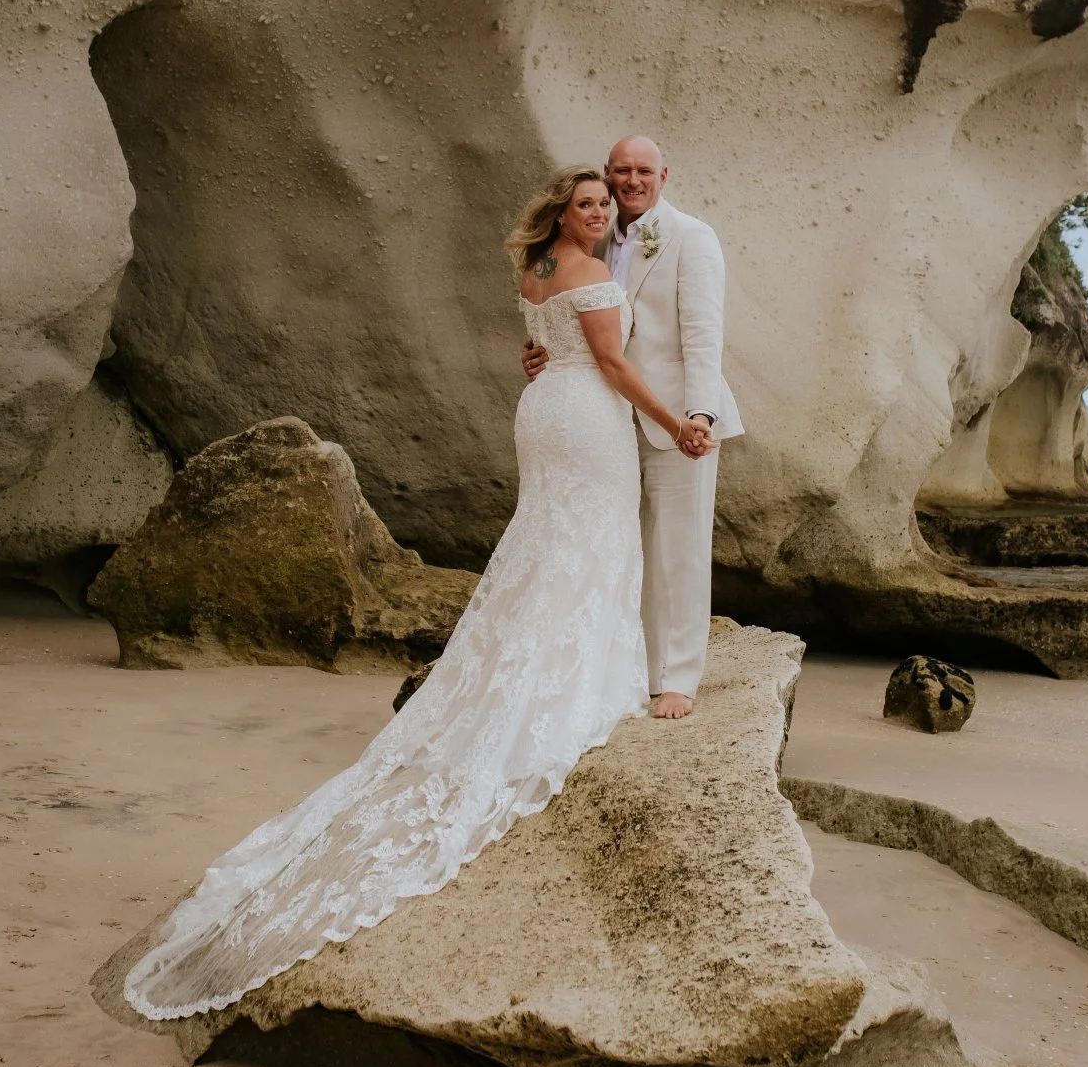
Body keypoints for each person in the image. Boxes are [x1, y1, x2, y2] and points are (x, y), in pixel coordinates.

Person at [120, 164, 700, 1023]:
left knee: (548, 540)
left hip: (542, 410)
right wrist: (674, 420)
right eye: (588, 203)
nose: (600, 211)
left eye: (606, 203)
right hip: (584, 416)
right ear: (565, 211)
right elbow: (612, 365)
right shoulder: (591, 272)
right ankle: (574, 676)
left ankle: (529, 658)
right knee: (591, 537)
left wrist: (547, 358)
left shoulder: (534, 269)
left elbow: (543, 347)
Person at [523, 136, 742, 719]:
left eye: (643, 170)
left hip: (674, 416)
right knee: (626, 547)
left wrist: (697, 416)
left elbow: (703, 336)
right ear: (606, 177)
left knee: (681, 546)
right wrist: (540, 348)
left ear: (663, 175)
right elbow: (552, 303)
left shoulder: (692, 237)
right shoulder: (586, 241)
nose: (630, 180)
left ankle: (679, 679)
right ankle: (636, 669)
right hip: (606, 416)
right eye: (621, 170)